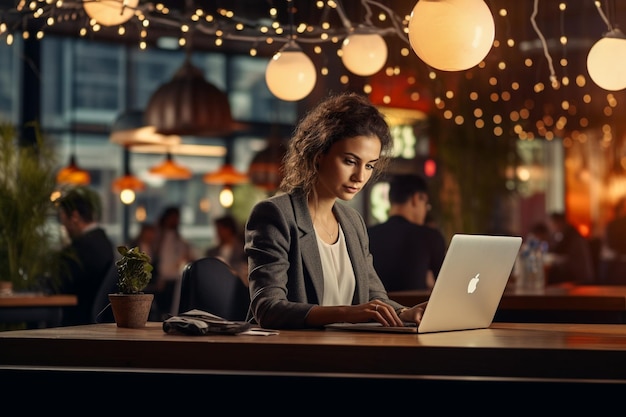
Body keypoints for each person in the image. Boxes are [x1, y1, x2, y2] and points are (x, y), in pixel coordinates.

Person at [244, 92, 426, 330]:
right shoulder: (275, 214)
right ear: (319, 156)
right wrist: (348, 313)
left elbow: (374, 297)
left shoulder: (352, 221)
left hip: (347, 350)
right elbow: (268, 309)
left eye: (369, 165)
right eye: (350, 161)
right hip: (292, 354)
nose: (360, 177)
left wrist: (404, 312)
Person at [367, 174, 446, 291]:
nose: (425, 211)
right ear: (416, 198)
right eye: (426, 205)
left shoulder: (367, 235)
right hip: (415, 309)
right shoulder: (430, 237)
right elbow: (445, 286)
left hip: (375, 308)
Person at [55, 186, 115, 326]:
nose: (65, 228)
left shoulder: (81, 248)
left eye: (64, 223)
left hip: (76, 319)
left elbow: (58, 284)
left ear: (74, 217)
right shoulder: (103, 241)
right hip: (91, 317)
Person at [150, 206, 194, 319]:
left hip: (175, 279)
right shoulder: (157, 237)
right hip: (161, 280)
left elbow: (187, 255)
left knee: (171, 310)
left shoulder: (179, 239)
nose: (175, 220)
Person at [546, 211, 594, 284]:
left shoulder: (570, 236)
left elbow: (562, 256)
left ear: (559, 223)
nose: (550, 227)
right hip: (576, 274)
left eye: (552, 224)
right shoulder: (564, 235)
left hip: (578, 276)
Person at [206, 214, 248, 285]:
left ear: (228, 230)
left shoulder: (243, 251)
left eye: (220, 229)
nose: (218, 233)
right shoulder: (212, 252)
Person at [602, 197, 626, 283]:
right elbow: (610, 243)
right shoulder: (613, 225)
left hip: (614, 262)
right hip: (616, 263)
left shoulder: (611, 224)